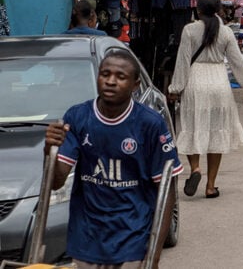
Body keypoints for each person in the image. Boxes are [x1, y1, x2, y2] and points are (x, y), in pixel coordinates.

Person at [44, 48, 183, 268]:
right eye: (105, 74)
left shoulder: (150, 124)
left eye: (120, 77)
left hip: (132, 237)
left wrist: (154, 255)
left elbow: (166, 191)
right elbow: (56, 181)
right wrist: (49, 150)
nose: (110, 81)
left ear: (135, 85)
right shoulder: (77, 117)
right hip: (87, 237)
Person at [168, 0, 243, 199]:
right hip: (219, 84)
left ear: (198, 10)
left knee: (192, 127)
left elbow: (182, 63)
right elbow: (237, 62)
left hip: (195, 83)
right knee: (215, 133)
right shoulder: (226, 32)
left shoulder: (189, 30)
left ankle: (196, 168)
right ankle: (210, 186)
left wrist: (175, 89)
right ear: (218, 10)